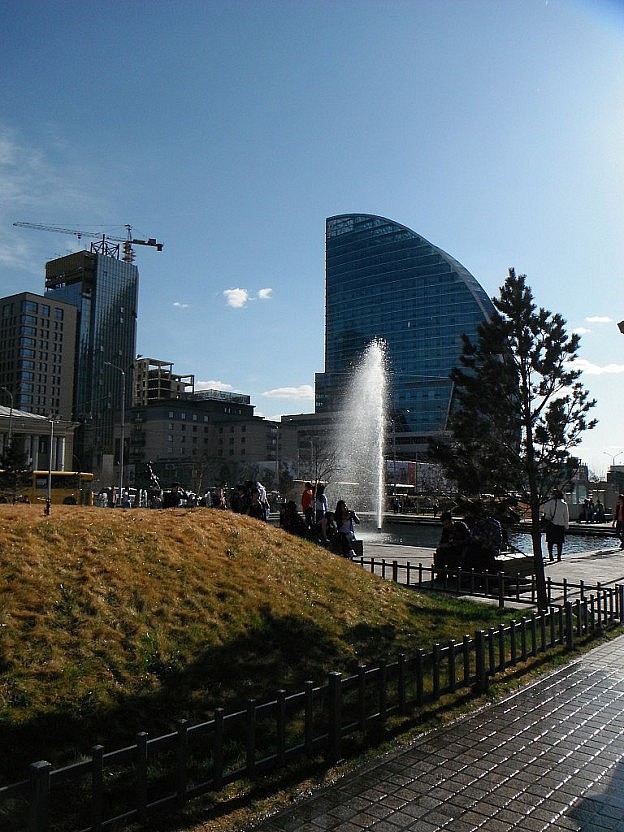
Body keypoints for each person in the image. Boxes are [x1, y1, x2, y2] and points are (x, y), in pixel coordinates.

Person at [542, 489, 570, 561]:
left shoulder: (548, 503)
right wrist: (566, 526)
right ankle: (559, 557)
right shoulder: (564, 504)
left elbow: (546, 515)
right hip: (560, 525)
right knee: (559, 542)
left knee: (550, 542)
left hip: (551, 525)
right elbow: (566, 516)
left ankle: (551, 556)